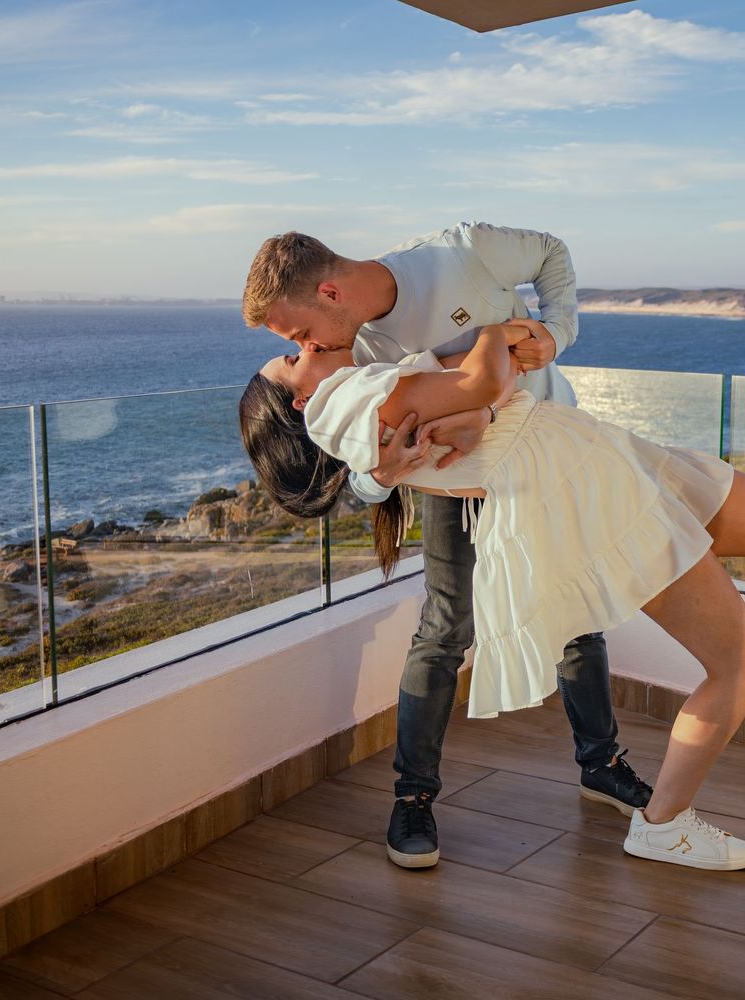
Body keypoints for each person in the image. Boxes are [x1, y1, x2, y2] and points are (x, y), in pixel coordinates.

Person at [242, 224, 651, 870]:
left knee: (577, 612)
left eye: (298, 337)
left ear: (327, 292)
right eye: (296, 349)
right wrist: (386, 473)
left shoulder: (459, 253)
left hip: (541, 455)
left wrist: (554, 332)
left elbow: (551, 256)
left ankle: (601, 764)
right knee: (444, 628)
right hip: (455, 483)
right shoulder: (358, 351)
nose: (308, 347)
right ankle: (412, 798)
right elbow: (370, 459)